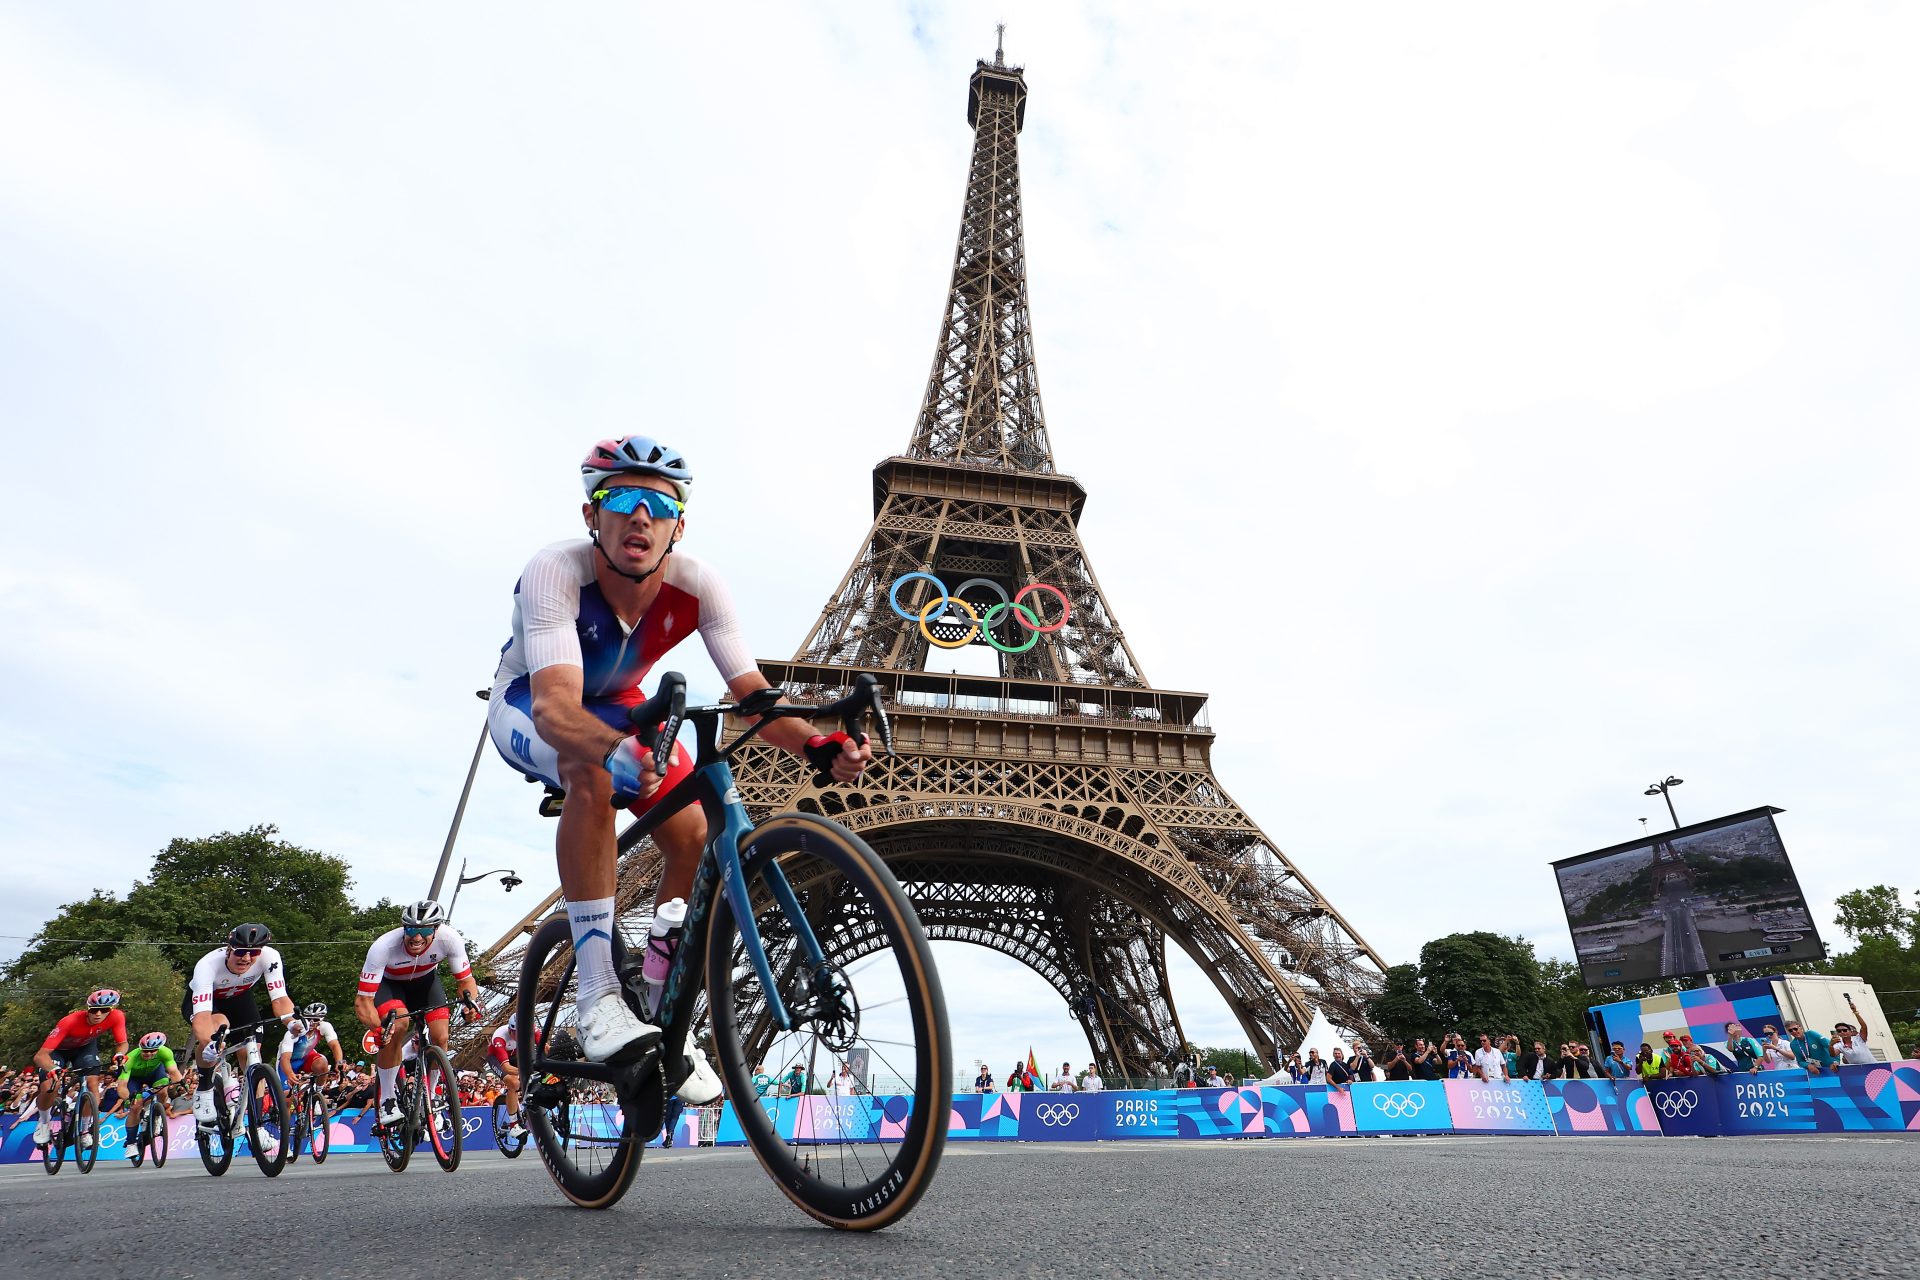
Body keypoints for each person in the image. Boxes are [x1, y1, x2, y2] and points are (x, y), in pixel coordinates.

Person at [484, 436, 872, 1092]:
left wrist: (815, 743)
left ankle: (667, 1010)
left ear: (678, 528)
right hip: (534, 700)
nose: (640, 516)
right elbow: (556, 708)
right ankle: (599, 995)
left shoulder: (699, 586)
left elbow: (753, 699)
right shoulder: (556, 570)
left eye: (659, 506)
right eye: (621, 500)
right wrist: (609, 747)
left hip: (626, 706)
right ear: (591, 517)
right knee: (592, 770)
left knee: (695, 832)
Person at [355, 900, 483, 1132]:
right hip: (391, 987)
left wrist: (470, 1003)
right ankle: (387, 1100)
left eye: (425, 931)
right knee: (399, 1025)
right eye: (412, 930)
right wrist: (378, 1029)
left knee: (441, 1036)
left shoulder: (450, 938)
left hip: (426, 985)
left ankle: (431, 1096)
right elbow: (363, 1002)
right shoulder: (383, 947)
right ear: (404, 928)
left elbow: (466, 981)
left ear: (436, 930)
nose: (417, 938)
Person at [185, 922, 297, 1130]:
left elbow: (280, 999)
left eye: (253, 952)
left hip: (240, 998)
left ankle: (257, 1126)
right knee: (219, 1028)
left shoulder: (270, 957)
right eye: (240, 952)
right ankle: (205, 1089)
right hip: (210, 1003)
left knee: (252, 1053)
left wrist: (292, 1022)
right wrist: (209, 1043)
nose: (246, 958)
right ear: (229, 949)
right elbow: (202, 1018)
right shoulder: (207, 966)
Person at [31, 990, 129, 1148]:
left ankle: (84, 1130)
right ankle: (43, 1122)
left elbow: (122, 1043)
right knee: (50, 1087)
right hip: (58, 1051)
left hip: (84, 1049)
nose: (98, 1014)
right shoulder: (69, 1021)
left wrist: (120, 1054)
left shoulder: (117, 1016)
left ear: (110, 1010)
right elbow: (40, 1056)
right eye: (93, 1010)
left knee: (92, 1084)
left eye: (104, 1010)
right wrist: (52, 1068)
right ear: (87, 1008)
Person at [118, 1031, 184, 1144]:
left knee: (162, 1090)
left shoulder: (166, 1052)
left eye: (152, 1051)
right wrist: (128, 1099)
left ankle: (158, 1114)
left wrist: (181, 1085)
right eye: (145, 1051)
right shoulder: (130, 1058)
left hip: (155, 1074)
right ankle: (131, 1142)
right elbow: (122, 1086)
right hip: (134, 1078)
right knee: (135, 1107)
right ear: (140, 1048)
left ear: (159, 1049)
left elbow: (173, 1072)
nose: (148, 1053)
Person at [486, 1012, 543, 1141]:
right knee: (513, 1083)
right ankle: (513, 1125)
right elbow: (506, 1067)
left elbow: (544, 1047)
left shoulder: (533, 1029)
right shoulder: (499, 1037)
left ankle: (528, 1104)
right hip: (498, 1059)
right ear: (510, 1030)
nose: (521, 1036)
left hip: (516, 1056)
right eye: (517, 1033)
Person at [278, 1002, 345, 1100]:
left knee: (322, 1063)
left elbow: (335, 1045)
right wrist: (290, 1074)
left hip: (305, 1058)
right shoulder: (295, 1031)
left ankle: (318, 1094)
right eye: (308, 1019)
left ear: (321, 1021)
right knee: (287, 1099)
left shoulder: (324, 1026)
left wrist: (339, 1062)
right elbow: (285, 1058)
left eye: (315, 1020)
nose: (311, 1022)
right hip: (287, 1062)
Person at [1832, 995, 1876, 1064]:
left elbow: (1864, 1026)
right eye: (1839, 1031)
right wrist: (1830, 1045)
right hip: (1857, 1071)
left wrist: (1855, 1012)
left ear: (1850, 1031)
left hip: (1873, 1067)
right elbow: (1833, 1054)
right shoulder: (1838, 1044)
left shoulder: (1859, 1038)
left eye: (1845, 1030)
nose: (1842, 1032)